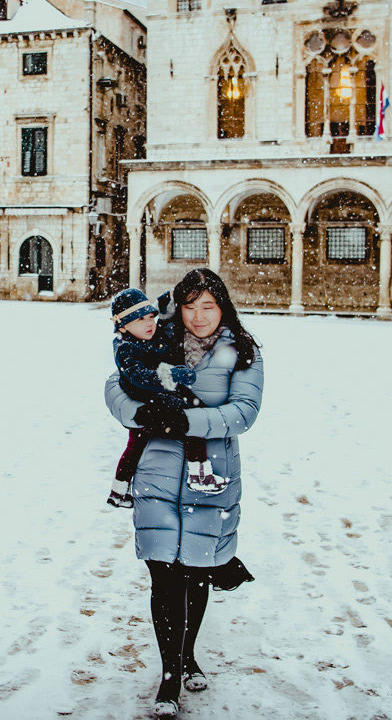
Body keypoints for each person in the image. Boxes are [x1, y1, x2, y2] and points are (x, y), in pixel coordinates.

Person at [104, 269, 263, 717]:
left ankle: (188, 653)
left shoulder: (242, 350)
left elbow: (244, 412)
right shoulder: (158, 338)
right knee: (164, 577)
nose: (197, 316)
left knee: (196, 571)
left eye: (208, 306)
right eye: (189, 306)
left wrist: (188, 423)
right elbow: (114, 388)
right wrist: (145, 414)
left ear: (223, 307)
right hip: (157, 475)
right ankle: (169, 676)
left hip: (208, 478)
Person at [107, 287, 229, 509]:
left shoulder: (151, 336)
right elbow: (138, 376)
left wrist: (165, 312)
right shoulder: (125, 348)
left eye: (150, 317)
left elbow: (168, 339)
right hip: (146, 399)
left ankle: (119, 491)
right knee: (186, 421)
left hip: (159, 394)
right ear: (123, 325)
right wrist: (171, 375)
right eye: (140, 319)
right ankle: (198, 473)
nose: (149, 323)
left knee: (189, 414)